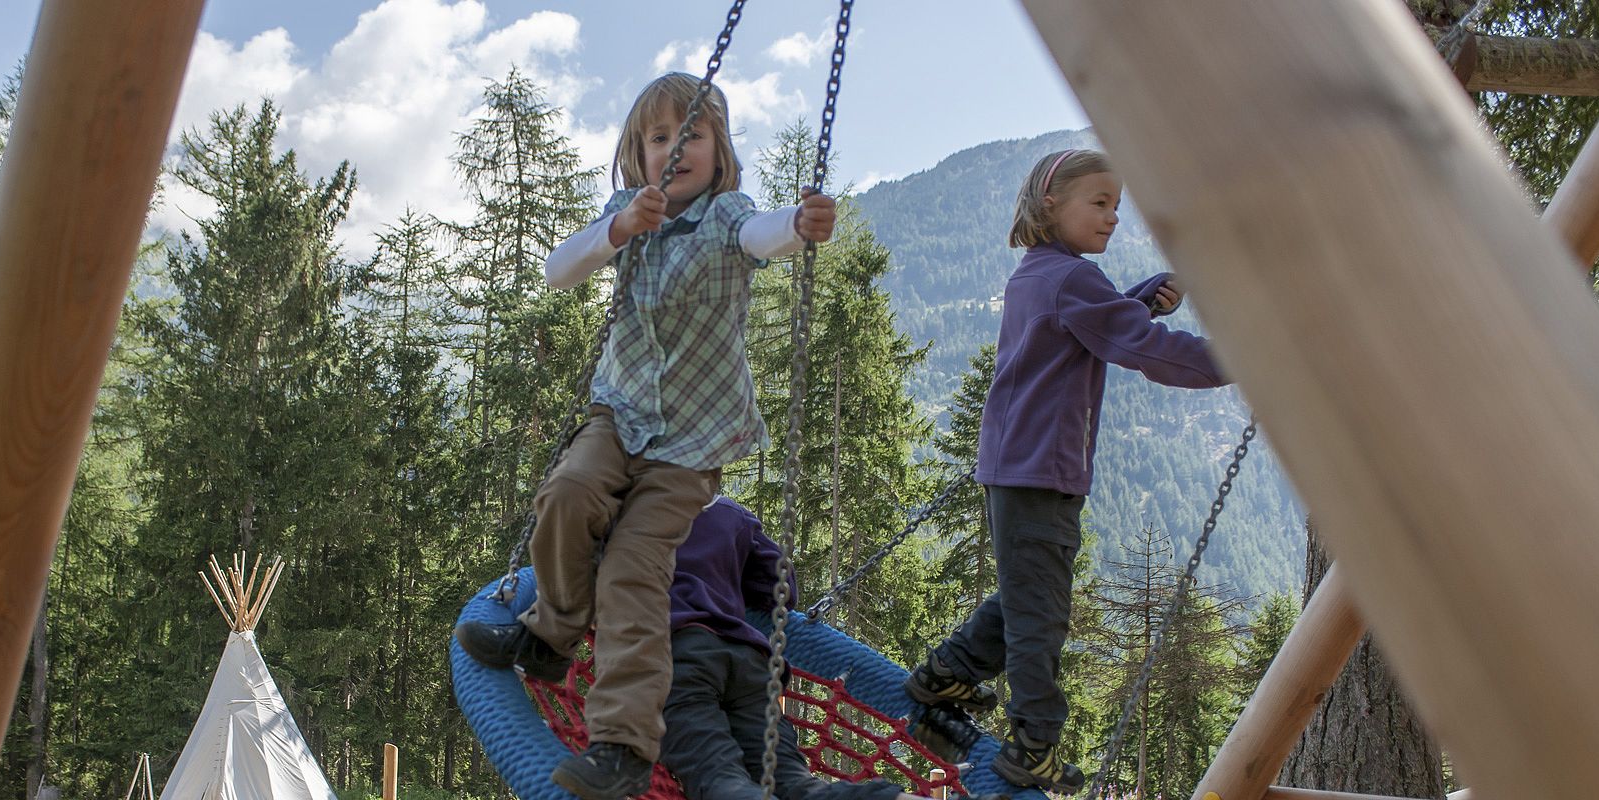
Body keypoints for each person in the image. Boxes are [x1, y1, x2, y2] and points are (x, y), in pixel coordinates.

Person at [454, 72, 837, 800]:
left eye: (692, 133)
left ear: (719, 149)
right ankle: (552, 635)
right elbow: (559, 270)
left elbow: (767, 235)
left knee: (633, 572)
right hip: (619, 412)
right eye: (659, 137)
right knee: (567, 494)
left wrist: (801, 224)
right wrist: (619, 230)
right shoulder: (626, 211)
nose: (675, 147)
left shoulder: (730, 217)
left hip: (691, 445)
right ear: (637, 156)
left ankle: (623, 746)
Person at [901, 148, 1229, 793]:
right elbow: (1143, 348)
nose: (1112, 217)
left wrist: (1140, 300)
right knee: (1040, 614)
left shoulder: (1043, 273)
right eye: (1099, 203)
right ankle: (1034, 744)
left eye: (1116, 204)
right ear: (1052, 204)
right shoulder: (1073, 280)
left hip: (1022, 467)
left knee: (1030, 590)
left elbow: (1086, 324)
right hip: (1039, 471)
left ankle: (949, 672)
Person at [661, 497, 922, 800]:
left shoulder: (621, 511)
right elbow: (778, 587)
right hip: (749, 660)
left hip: (677, 657)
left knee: (719, 778)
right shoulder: (725, 511)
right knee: (793, 784)